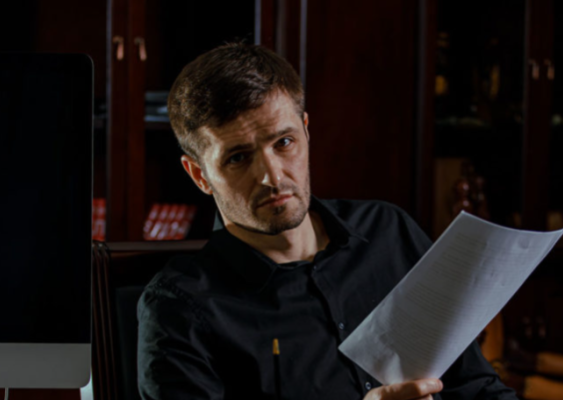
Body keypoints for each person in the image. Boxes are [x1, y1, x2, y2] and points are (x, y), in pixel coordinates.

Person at [137, 43, 517, 400]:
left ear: (305, 130)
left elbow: (476, 386)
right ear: (199, 175)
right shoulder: (178, 308)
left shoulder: (388, 230)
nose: (272, 176)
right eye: (238, 158)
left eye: (284, 142)